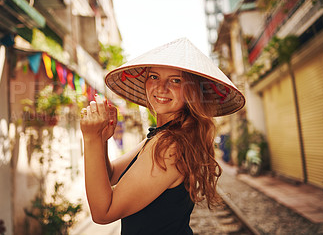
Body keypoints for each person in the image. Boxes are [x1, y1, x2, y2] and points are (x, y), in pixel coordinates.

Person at [80, 38, 245, 234]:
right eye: (154, 76)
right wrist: (100, 140)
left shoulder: (170, 145)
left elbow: (103, 213)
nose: (161, 87)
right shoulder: (162, 136)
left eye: (176, 80)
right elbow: (110, 175)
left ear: (192, 91)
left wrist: (89, 139)